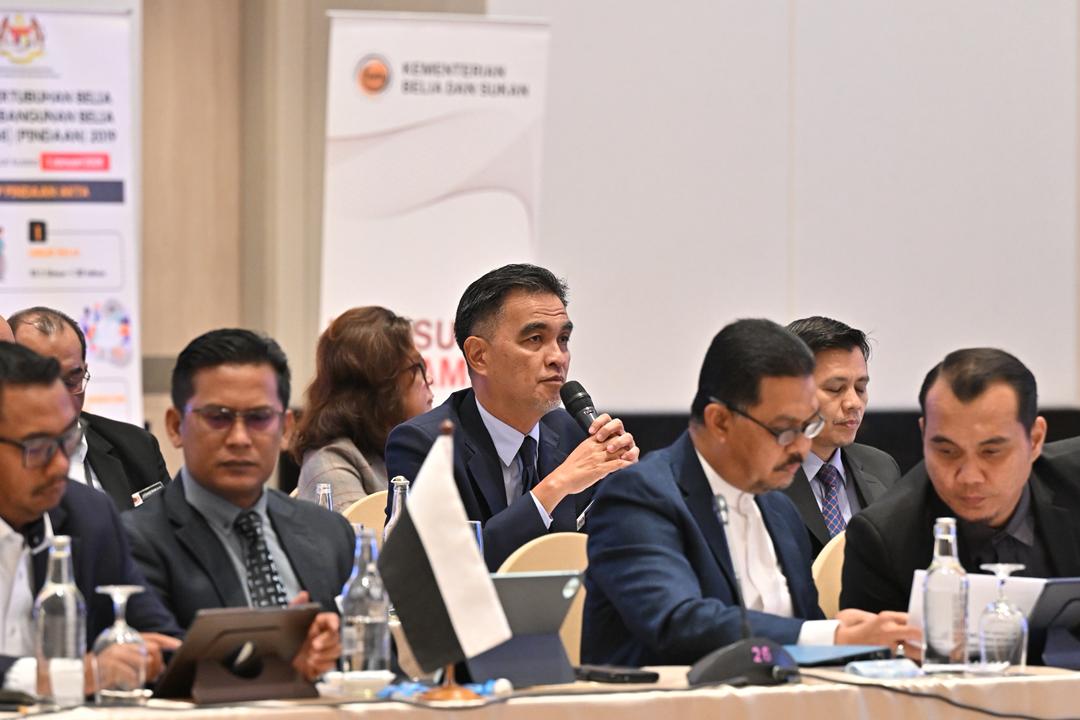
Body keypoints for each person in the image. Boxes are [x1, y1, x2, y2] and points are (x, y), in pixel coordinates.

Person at [582, 319, 919, 666]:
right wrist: (833, 636)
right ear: (720, 421)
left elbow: (805, 633)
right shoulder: (639, 497)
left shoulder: (779, 508)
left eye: (808, 427)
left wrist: (858, 639)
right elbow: (678, 623)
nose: (801, 448)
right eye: (784, 430)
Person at [122, 329, 351, 680]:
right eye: (218, 417)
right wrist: (281, 664)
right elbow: (166, 665)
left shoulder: (329, 531)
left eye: (259, 418)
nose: (240, 438)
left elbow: (376, 659)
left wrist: (336, 650)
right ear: (175, 426)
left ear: (285, 429)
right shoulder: (134, 540)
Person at [385, 264, 639, 570]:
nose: (557, 357)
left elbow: (614, 554)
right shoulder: (425, 445)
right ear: (479, 355)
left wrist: (630, 491)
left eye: (563, 339)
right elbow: (436, 570)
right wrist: (556, 485)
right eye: (535, 339)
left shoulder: (571, 432)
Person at [0, 342, 181, 696]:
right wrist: (68, 677)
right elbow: (85, 674)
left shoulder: (89, 515)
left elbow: (161, 640)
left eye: (67, 440)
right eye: (38, 448)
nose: (60, 465)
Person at [841, 348, 1080, 614]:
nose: (969, 477)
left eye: (991, 452)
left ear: (1034, 440)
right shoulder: (883, 540)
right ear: (924, 435)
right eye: (947, 451)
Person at [9, 307, 171, 511]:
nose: (60, 399)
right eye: (43, 382)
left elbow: (171, 526)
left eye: (72, 381)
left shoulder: (138, 447)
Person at [292, 306, 433, 512]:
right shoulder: (331, 463)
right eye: (417, 367)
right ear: (380, 383)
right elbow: (362, 532)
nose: (430, 379)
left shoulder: (400, 450)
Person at [783, 316, 900, 557]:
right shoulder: (760, 478)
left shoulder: (882, 468)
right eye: (835, 389)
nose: (854, 403)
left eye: (860, 388)